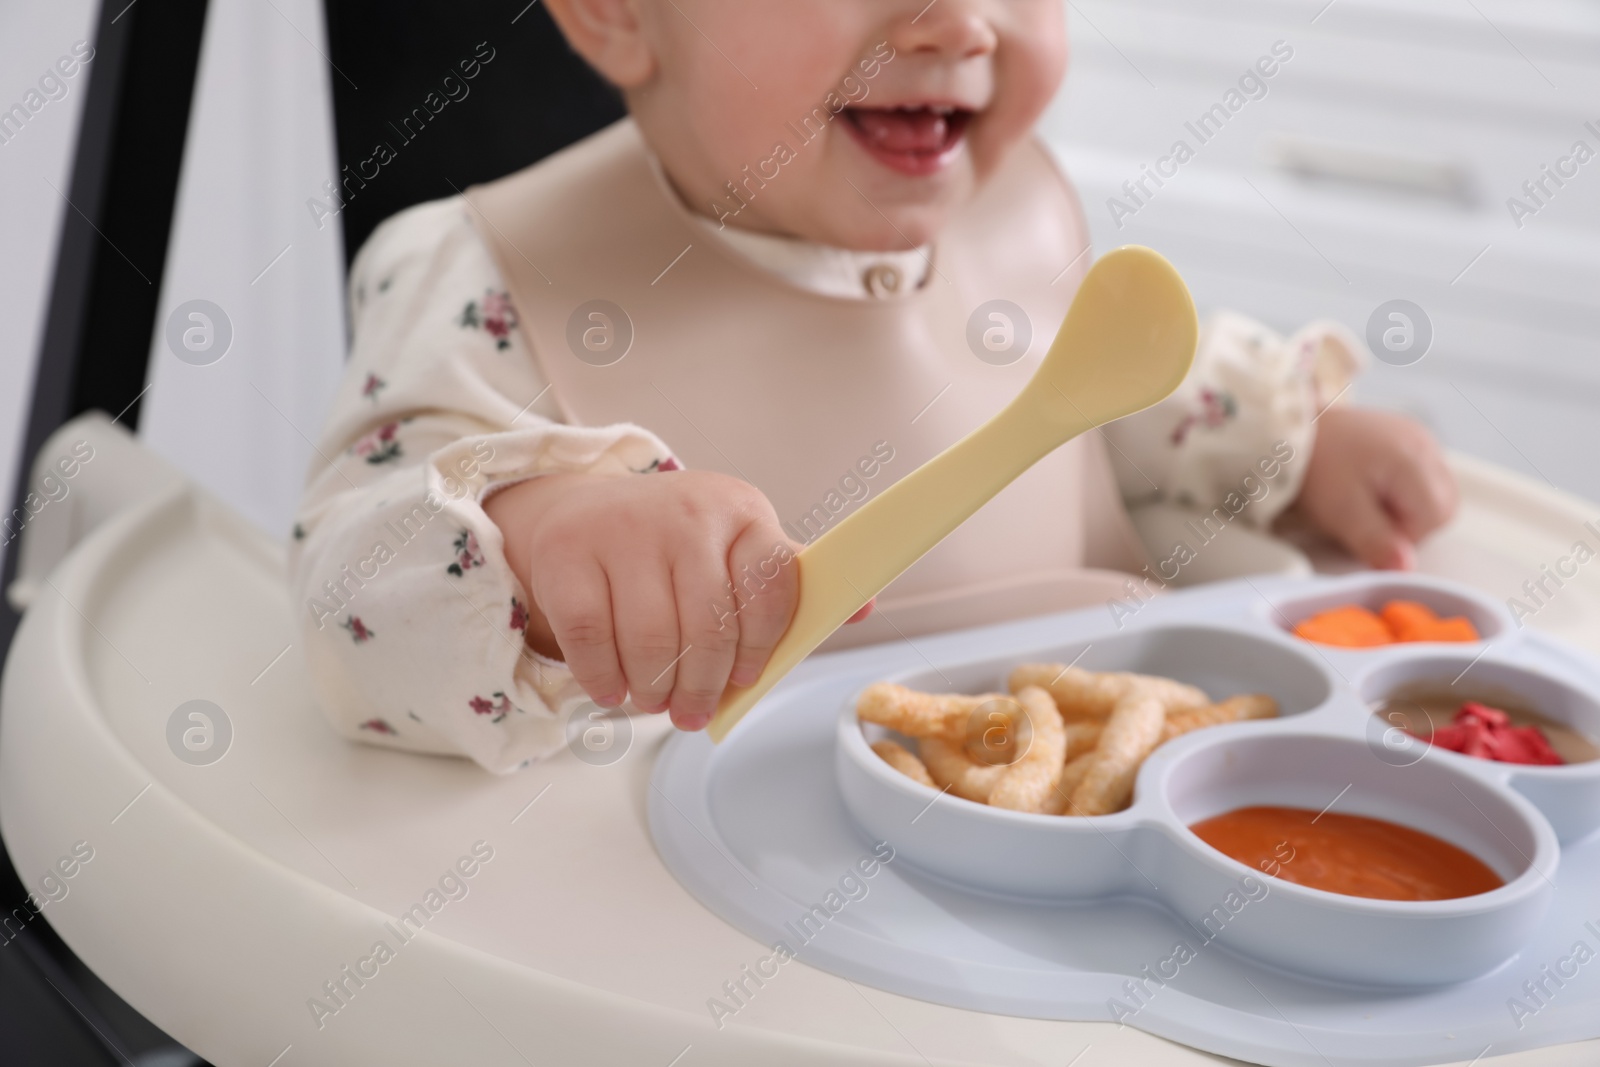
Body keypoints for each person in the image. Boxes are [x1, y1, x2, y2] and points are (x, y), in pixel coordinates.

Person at [289, 0, 1456, 773]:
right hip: (693, 937)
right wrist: (539, 552)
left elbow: (1117, 407)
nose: (956, 20)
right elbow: (347, 610)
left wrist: (1295, 447)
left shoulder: (1020, 211)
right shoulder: (484, 275)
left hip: (1087, 859)